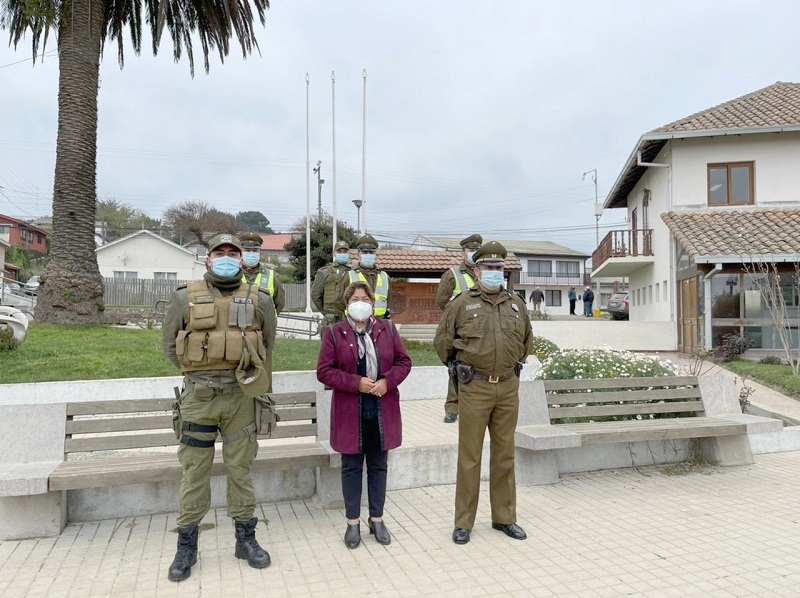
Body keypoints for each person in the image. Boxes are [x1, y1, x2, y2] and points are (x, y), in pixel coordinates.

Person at [162, 233, 278, 581]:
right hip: (199, 401)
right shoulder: (184, 298)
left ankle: (246, 540)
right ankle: (187, 546)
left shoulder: (260, 299)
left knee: (240, 470)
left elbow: (268, 346)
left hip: (241, 400)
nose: (226, 257)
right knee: (194, 473)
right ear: (207, 259)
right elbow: (170, 346)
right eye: (219, 252)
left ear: (242, 260)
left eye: (233, 252)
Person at [434, 241, 532, 546]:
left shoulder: (516, 304)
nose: (494, 272)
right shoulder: (461, 304)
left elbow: (527, 342)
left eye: (498, 268)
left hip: (507, 387)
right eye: (488, 267)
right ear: (476, 271)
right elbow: (443, 344)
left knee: (505, 455)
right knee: (470, 458)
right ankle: (463, 522)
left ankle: (505, 517)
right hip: (475, 387)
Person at [317, 281, 412, 549]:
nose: (361, 302)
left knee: (379, 467)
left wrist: (387, 381)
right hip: (350, 412)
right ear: (347, 304)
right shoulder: (335, 332)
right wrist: (355, 382)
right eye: (355, 298)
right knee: (351, 468)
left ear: (373, 302)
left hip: (382, 410)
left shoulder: (387, 329)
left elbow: (404, 363)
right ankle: (352, 523)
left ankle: (377, 519)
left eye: (365, 298)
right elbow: (324, 371)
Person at [436, 234, 482, 424]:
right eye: (470, 250)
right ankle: (452, 408)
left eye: (477, 250)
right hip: (459, 328)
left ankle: (476, 407)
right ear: (463, 252)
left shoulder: (485, 272)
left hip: (481, 328)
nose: (473, 253)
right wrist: (455, 317)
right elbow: (441, 301)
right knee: (456, 367)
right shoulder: (452, 274)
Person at [334, 234, 391, 319]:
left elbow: (389, 302)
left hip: (379, 323)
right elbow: (338, 302)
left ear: (376, 254)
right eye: (364, 252)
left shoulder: (384, 277)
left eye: (371, 252)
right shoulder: (349, 276)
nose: (368, 255)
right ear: (358, 254)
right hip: (355, 324)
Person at [239, 231, 286, 315]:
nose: (251, 253)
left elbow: (279, 304)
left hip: (263, 326)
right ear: (240, 251)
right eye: (247, 250)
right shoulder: (233, 274)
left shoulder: (271, 276)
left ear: (260, 251)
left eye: (255, 250)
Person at [311, 240, 352, 332]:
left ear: (348, 253)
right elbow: (315, 295)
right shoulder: (324, 272)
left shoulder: (354, 272)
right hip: (331, 319)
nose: (342, 254)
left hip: (350, 318)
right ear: (334, 253)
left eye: (345, 251)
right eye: (339, 251)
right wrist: (326, 312)